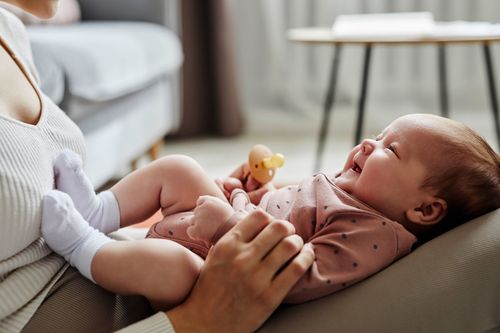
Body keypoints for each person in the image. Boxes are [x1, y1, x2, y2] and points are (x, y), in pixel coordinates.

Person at [0, 1, 315, 332]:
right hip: (187, 318)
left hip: (130, 281)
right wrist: (199, 319)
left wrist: (202, 221)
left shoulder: (9, 32)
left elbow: (39, 233)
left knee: (187, 177)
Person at [41, 113, 500, 307]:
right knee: (181, 168)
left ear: (424, 209)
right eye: (379, 135)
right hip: (218, 225)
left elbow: (291, 273)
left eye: (391, 150)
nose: (368, 144)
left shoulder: (372, 234)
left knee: (176, 268)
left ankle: (85, 245)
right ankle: (101, 210)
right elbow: (288, 212)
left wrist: (227, 226)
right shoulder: (352, 191)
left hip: (209, 274)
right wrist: (254, 191)